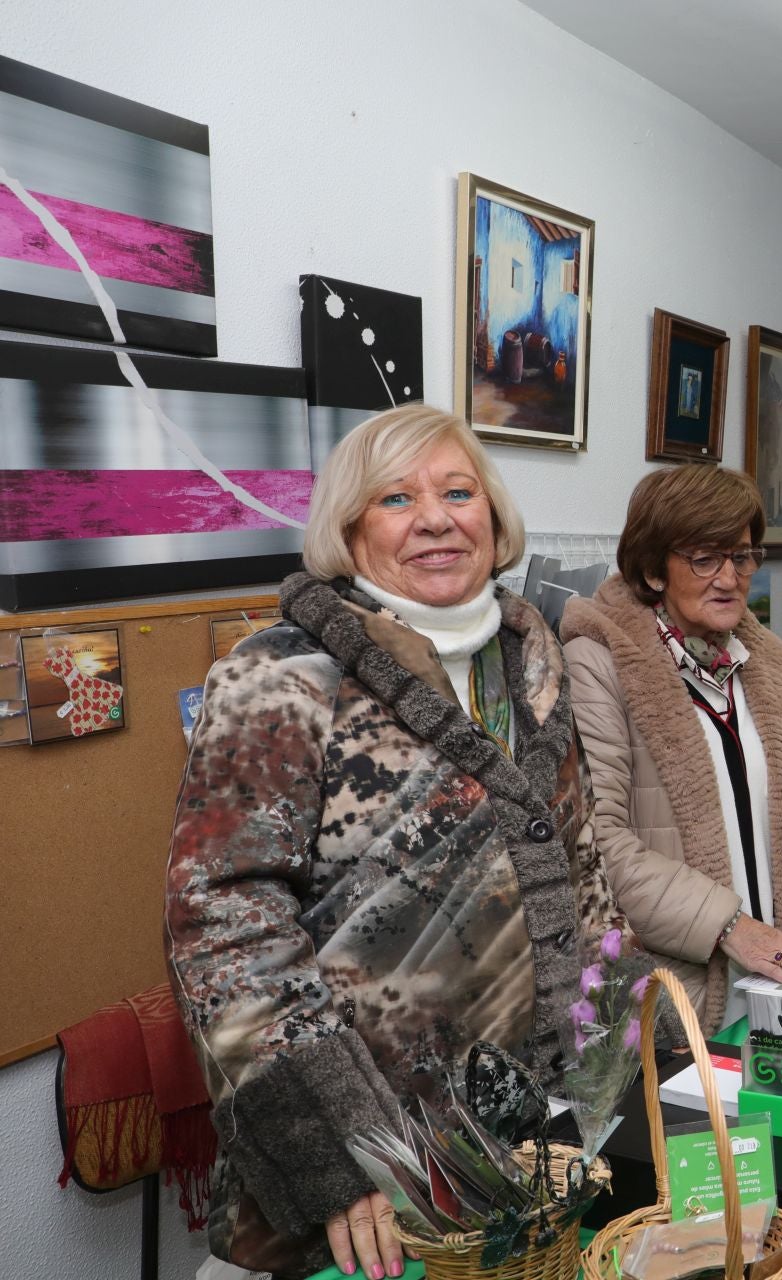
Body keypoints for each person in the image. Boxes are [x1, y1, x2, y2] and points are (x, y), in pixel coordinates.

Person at [166, 406, 633, 1279]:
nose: (435, 517)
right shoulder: (279, 676)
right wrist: (344, 1158)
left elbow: (581, 871)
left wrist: (607, 1064)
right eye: (395, 498)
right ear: (348, 532)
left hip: (527, 1155)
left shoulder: (533, 664)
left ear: (492, 518)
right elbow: (225, 933)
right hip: (362, 1198)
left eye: (459, 492)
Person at [560, 465, 782, 1038]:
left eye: (741, 557)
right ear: (655, 569)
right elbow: (600, 842)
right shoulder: (600, 662)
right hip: (676, 992)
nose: (730, 578)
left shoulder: (760, 662)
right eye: (704, 559)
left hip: (776, 969)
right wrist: (731, 927)